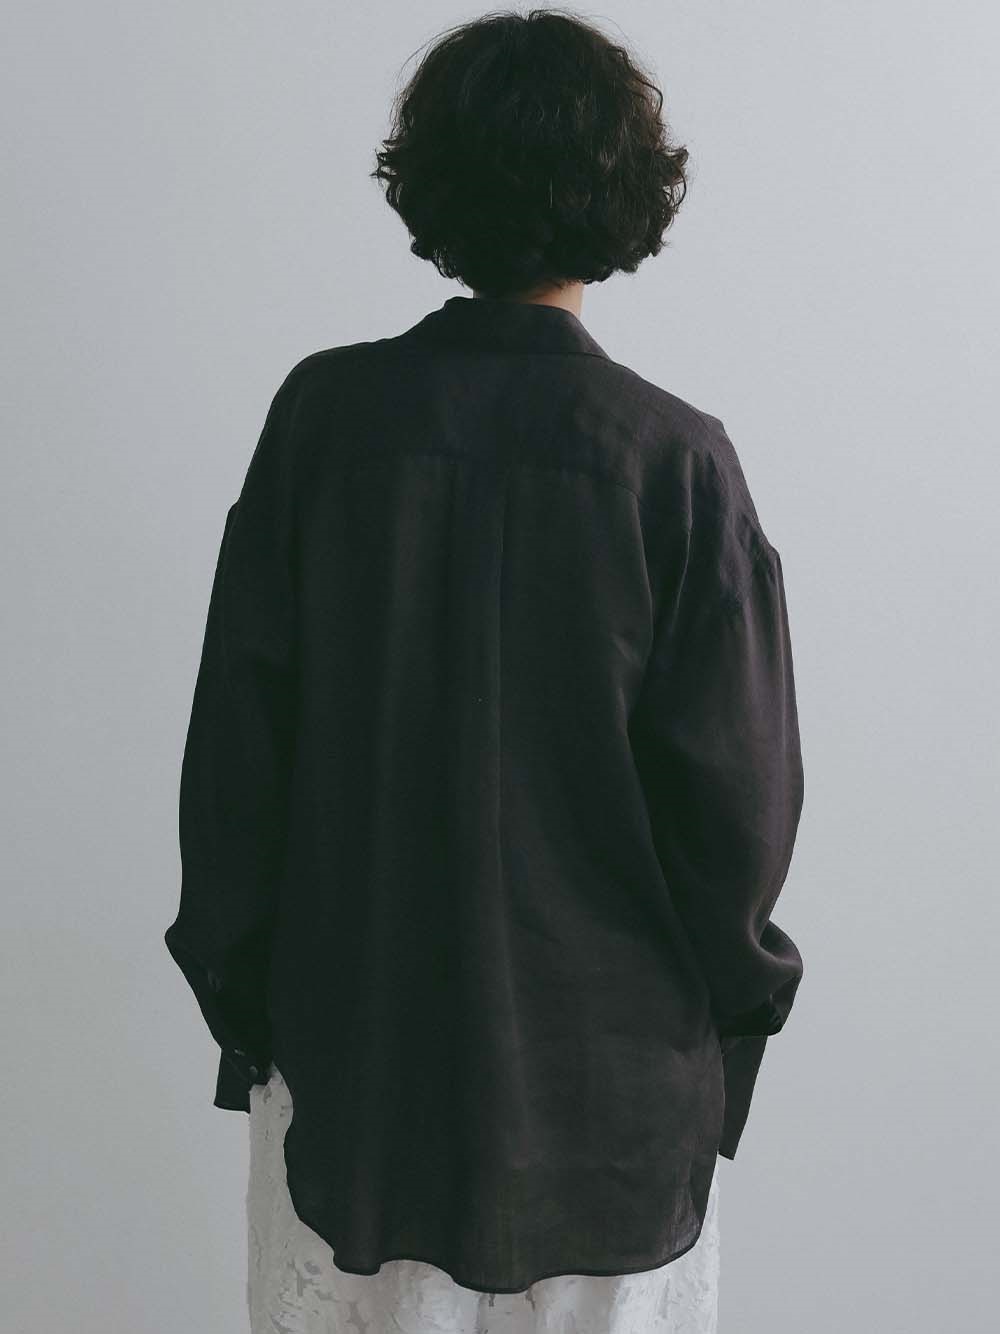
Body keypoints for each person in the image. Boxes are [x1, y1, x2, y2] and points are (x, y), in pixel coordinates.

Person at [164, 8, 805, 1332]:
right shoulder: (676, 462)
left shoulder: (324, 423)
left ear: (431, 184)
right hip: (615, 1105)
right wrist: (741, 1006)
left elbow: (236, 757)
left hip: (355, 1077)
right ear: (626, 191)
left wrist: (250, 1000)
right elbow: (738, 814)